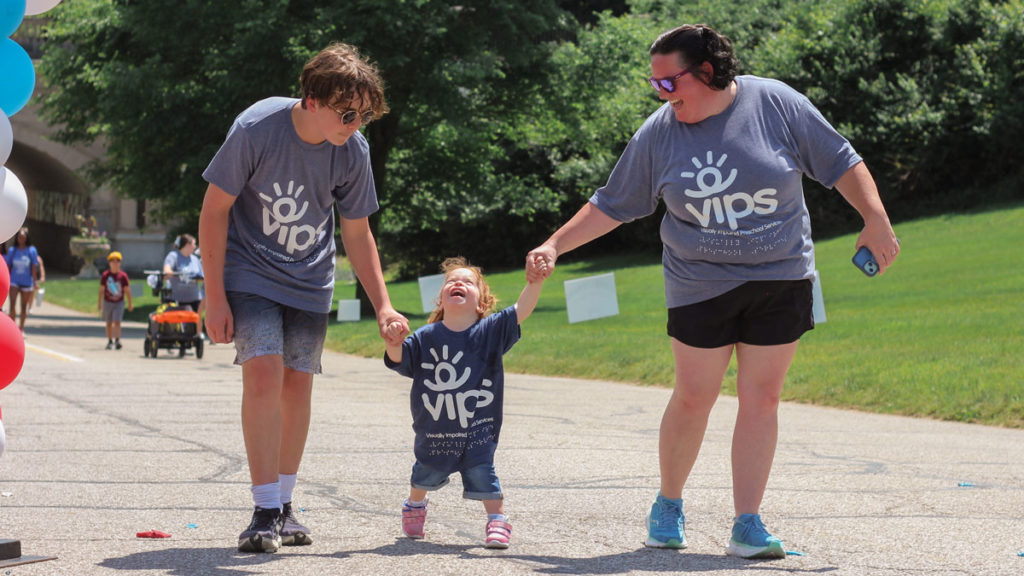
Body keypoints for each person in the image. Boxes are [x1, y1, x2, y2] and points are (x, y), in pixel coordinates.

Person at [527, 24, 900, 559]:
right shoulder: (660, 133)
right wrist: (555, 244)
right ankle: (669, 504)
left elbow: (841, 159)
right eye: (655, 84)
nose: (660, 94)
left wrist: (876, 218)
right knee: (696, 394)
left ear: (705, 71)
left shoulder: (776, 104)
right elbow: (613, 202)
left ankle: (747, 523)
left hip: (781, 275)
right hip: (699, 282)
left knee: (762, 397)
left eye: (667, 82)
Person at [198, 42, 409, 554]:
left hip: (311, 279)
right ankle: (263, 507)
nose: (355, 123)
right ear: (312, 99)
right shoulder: (256, 129)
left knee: (297, 387)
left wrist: (383, 304)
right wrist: (215, 296)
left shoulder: (351, 150)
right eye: (347, 112)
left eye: (364, 115)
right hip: (250, 272)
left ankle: (286, 505)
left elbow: (357, 233)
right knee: (264, 373)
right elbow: (214, 211)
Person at [383, 256, 546, 549]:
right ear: (441, 301)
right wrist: (393, 343)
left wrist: (535, 283)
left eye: (468, 282)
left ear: (481, 304)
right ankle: (414, 505)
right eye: (451, 281)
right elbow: (399, 360)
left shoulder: (491, 332)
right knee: (424, 472)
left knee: (483, 471)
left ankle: (497, 520)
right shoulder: (424, 338)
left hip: (477, 430)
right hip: (435, 431)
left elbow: (521, 310)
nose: (458, 283)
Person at [4, 228, 40, 332]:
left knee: (23, 307)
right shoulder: (13, 250)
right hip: (14, 281)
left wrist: (35, 281)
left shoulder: (31, 250)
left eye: (23, 237)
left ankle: (21, 329)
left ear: (26, 238)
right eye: (19, 237)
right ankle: (12, 329)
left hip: (26, 282)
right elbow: (8, 266)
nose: (21, 239)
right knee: (12, 305)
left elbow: (34, 267)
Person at [163, 233, 205, 318]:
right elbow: (166, 270)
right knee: (177, 326)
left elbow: (202, 277)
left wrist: (196, 278)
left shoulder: (195, 259)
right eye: (194, 244)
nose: (195, 246)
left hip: (194, 299)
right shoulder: (173, 256)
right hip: (177, 299)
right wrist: (174, 273)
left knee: (191, 326)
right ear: (187, 245)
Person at [98, 251, 133, 350]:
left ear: (120, 263)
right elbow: (102, 290)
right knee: (109, 322)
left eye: (117, 261)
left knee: (117, 321)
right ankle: (110, 340)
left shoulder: (123, 276)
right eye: (112, 261)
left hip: (119, 302)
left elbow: (127, 290)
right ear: (109, 263)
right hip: (108, 302)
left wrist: (130, 303)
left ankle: (117, 340)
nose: (115, 264)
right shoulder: (105, 275)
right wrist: (99, 303)